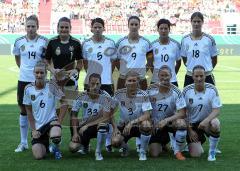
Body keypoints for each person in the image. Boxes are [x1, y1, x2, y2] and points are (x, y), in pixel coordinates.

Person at [13, 15, 48, 152]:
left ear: (37, 27)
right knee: (23, 110)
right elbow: (17, 59)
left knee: (40, 110)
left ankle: (42, 140)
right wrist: (24, 71)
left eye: (33, 26)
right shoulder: (19, 41)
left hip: (38, 80)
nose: (31, 29)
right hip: (23, 80)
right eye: (28, 26)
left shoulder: (44, 41)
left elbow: (46, 60)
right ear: (25, 27)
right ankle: (23, 142)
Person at [82, 18, 117, 151]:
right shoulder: (86, 44)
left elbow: (113, 62)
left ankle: (108, 142)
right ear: (91, 28)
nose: (97, 29)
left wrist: (107, 75)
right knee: (87, 109)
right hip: (90, 83)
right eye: (95, 27)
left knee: (109, 111)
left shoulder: (110, 43)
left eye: (99, 27)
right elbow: (85, 62)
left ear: (103, 28)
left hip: (106, 82)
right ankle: (86, 141)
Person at [44, 17, 83, 135]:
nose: (64, 29)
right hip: (56, 83)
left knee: (73, 111)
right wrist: (52, 70)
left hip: (71, 83)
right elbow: (46, 60)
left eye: (66, 27)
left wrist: (75, 71)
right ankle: (55, 141)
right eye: (62, 27)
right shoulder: (52, 42)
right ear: (57, 28)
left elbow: (80, 63)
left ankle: (75, 138)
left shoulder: (76, 43)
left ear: (70, 28)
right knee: (55, 112)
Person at [23, 61, 64, 160]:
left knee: (56, 135)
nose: (39, 75)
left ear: (46, 74)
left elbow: (65, 102)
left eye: (42, 73)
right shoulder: (28, 89)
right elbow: (28, 111)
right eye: (37, 72)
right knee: (39, 156)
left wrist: (59, 121)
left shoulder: (52, 86)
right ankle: (47, 146)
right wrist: (33, 130)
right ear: (33, 73)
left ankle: (56, 148)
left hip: (51, 122)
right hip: (38, 126)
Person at [69, 73, 113, 160]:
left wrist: (87, 125)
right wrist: (75, 133)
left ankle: (98, 152)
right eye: (92, 84)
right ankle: (85, 146)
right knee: (73, 148)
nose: (95, 86)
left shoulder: (106, 96)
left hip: (100, 125)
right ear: (88, 84)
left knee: (102, 125)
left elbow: (106, 117)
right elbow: (74, 115)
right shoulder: (81, 96)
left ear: (101, 84)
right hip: (86, 127)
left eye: (97, 84)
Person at [147, 65, 187, 160]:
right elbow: (144, 109)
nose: (164, 78)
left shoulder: (176, 91)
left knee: (181, 123)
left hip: (170, 123)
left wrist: (166, 120)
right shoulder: (150, 90)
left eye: (167, 75)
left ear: (171, 76)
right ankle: (163, 143)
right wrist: (150, 121)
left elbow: (182, 113)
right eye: (162, 75)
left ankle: (177, 151)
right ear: (158, 76)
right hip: (155, 124)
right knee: (154, 154)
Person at [183, 65, 221, 161]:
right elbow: (182, 113)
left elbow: (216, 110)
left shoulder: (212, 89)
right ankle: (198, 142)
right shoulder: (186, 90)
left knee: (216, 123)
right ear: (192, 76)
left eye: (201, 76)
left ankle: (212, 152)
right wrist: (190, 130)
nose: (199, 79)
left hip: (207, 123)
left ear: (205, 76)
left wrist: (206, 121)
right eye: (196, 76)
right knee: (196, 155)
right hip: (192, 125)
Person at [111, 71, 153, 161]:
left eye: (134, 80)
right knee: (115, 142)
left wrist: (131, 123)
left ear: (138, 82)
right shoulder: (118, 94)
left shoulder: (143, 94)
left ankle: (142, 151)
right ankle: (125, 147)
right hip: (124, 125)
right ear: (125, 82)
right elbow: (110, 113)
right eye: (129, 80)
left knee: (147, 124)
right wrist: (115, 128)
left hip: (139, 125)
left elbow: (147, 115)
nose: (132, 83)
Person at [180, 12, 218, 87]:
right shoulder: (185, 40)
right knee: (187, 98)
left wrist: (207, 70)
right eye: (194, 21)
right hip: (190, 75)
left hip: (206, 76)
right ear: (191, 22)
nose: (196, 24)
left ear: (202, 22)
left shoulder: (209, 39)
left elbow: (214, 59)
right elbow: (184, 59)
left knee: (209, 98)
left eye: (198, 21)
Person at [115, 16, 151, 90]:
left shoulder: (146, 42)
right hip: (124, 78)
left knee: (142, 100)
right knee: (121, 100)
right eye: (131, 24)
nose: (134, 27)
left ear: (139, 26)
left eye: (136, 24)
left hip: (141, 79)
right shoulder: (121, 42)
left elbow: (150, 60)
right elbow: (116, 60)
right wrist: (123, 72)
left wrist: (142, 73)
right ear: (128, 26)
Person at [149, 19, 181, 87]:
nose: (163, 31)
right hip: (156, 80)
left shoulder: (176, 45)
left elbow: (178, 63)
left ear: (169, 29)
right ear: (158, 29)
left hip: (172, 80)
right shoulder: (152, 45)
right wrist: (156, 75)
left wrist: (171, 75)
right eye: (161, 28)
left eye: (166, 28)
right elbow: (150, 64)